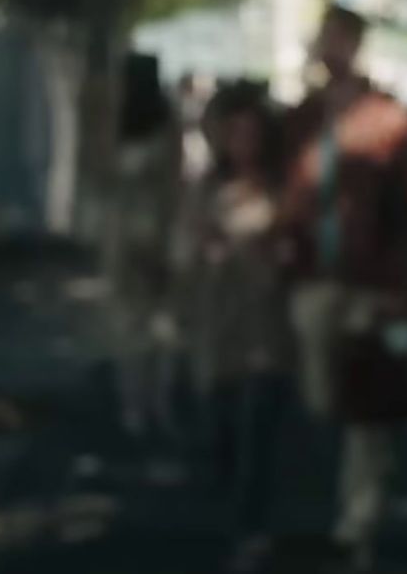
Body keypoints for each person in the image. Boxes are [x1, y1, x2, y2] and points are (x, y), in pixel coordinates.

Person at [279, 5, 407, 561]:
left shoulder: (388, 121)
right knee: (320, 394)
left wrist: (401, 283)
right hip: (316, 274)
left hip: (368, 280)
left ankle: (358, 518)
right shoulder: (302, 119)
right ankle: (327, 503)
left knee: (364, 397)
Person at [179, 83, 294, 568]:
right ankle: (235, 517)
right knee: (220, 432)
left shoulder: (280, 189)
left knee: (256, 433)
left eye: (252, 132)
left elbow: (296, 247)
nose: (243, 141)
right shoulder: (206, 190)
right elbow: (183, 253)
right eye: (235, 132)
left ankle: (252, 529)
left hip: (266, 332)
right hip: (218, 327)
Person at [104, 52, 183, 438]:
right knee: (153, 326)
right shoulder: (163, 125)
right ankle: (150, 403)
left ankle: (139, 405)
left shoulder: (122, 125)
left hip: (133, 232)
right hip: (150, 231)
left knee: (138, 326)